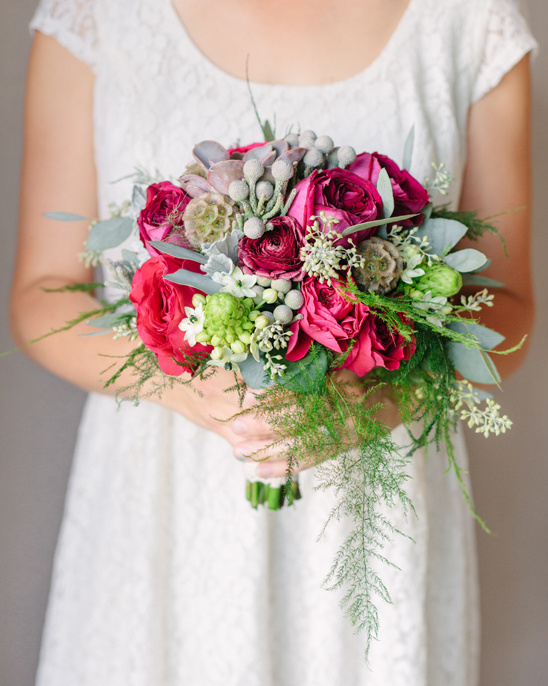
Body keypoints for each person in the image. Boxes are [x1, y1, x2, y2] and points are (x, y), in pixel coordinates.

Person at [10, 0, 536, 684]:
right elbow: (42, 292)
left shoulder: (469, 23)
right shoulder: (97, 18)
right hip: (160, 506)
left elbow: (510, 308)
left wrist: (376, 403)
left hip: (371, 521)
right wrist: (184, 384)